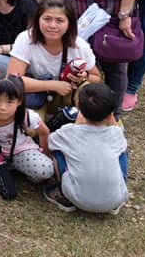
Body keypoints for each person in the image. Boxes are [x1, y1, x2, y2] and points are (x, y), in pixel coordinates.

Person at [6, 0, 101, 114]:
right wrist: (53, 85)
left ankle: (80, 120)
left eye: (59, 21)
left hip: (68, 96)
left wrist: (83, 76)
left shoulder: (79, 45)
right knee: (32, 124)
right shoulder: (25, 39)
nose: (52, 25)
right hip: (36, 95)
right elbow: (13, 80)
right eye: (47, 19)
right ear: (38, 19)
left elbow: (97, 78)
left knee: (86, 88)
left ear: (69, 23)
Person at [45, 82, 129, 214]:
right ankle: (117, 188)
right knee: (122, 149)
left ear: (78, 105)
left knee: (58, 149)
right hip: (115, 199)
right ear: (110, 114)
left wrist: (76, 126)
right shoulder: (115, 133)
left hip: (76, 197)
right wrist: (111, 118)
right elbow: (119, 137)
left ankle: (61, 193)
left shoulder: (68, 132)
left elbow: (50, 142)